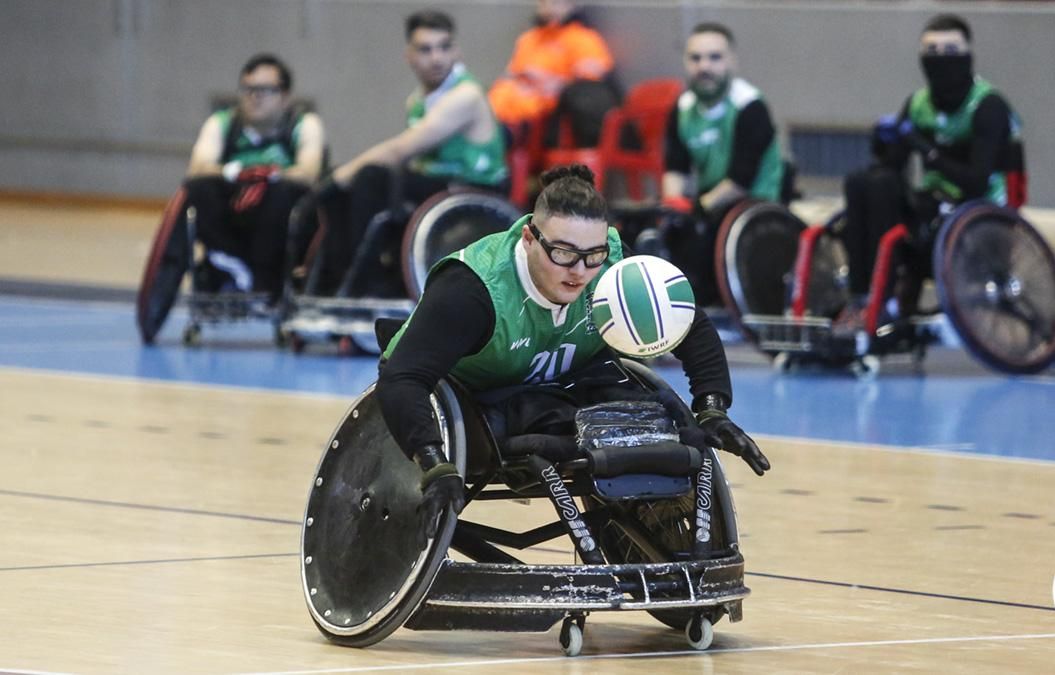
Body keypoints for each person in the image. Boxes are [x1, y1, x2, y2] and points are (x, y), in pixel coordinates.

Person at [375, 165, 770, 539]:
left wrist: (712, 406)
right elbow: (403, 377)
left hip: (565, 382)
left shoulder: (614, 268)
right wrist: (433, 464)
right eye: (563, 253)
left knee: (660, 417)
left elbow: (690, 324)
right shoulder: (472, 291)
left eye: (593, 255)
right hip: (478, 392)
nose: (580, 271)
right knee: (532, 424)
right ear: (529, 238)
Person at [838, 13, 1024, 324]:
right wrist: (884, 144)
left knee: (887, 194)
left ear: (968, 54)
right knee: (862, 182)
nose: (940, 60)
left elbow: (977, 181)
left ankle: (884, 297)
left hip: (978, 212)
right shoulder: (918, 103)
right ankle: (862, 294)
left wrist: (927, 150)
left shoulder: (988, 107)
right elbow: (891, 167)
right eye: (932, 52)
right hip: (933, 204)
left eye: (950, 51)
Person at [316, 9, 509, 296]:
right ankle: (335, 277)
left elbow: (401, 149)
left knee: (366, 176)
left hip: (474, 190)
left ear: (456, 51)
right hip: (437, 185)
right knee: (346, 186)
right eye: (426, 49)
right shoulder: (417, 100)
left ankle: (366, 284)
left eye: (444, 47)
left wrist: (345, 174)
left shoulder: (465, 96)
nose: (437, 57)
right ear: (409, 55)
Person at [660, 22, 786, 307]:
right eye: (696, 58)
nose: (704, 66)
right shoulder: (682, 107)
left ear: (732, 61)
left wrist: (697, 209)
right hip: (710, 200)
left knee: (702, 231)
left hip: (754, 204)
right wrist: (670, 209)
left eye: (714, 57)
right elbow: (675, 169)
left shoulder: (750, 107)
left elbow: (741, 179)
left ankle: (707, 309)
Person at [183, 53, 325, 298]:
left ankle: (262, 276)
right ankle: (230, 261)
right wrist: (235, 172)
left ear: (285, 96)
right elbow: (197, 167)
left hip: (278, 217)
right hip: (233, 211)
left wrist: (269, 175)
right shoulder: (222, 123)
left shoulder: (305, 124)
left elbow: (308, 173)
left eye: (266, 90)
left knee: (285, 192)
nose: (255, 97)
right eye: (249, 89)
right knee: (199, 187)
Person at [487, 0, 615, 130]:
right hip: (513, 100)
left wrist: (558, 82)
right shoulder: (529, 38)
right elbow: (513, 71)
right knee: (500, 93)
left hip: (548, 107)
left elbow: (594, 75)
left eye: (557, 3)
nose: (550, 8)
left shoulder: (582, 38)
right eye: (545, 3)